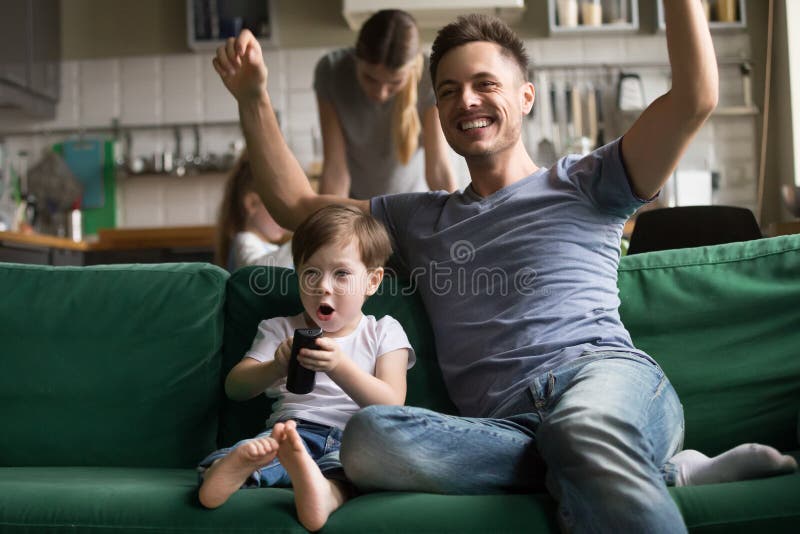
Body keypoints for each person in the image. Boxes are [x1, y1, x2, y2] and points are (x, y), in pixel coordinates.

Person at [212, 3, 797, 531]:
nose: (466, 100)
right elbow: (295, 206)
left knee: (580, 429)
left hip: (600, 380)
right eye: (448, 91)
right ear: (437, 110)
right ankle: (665, 473)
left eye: (484, 84)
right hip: (503, 429)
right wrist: (252, 97)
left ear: (525, 96)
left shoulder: (589, 181)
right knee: (367, 439)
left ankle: (617, 457)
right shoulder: (418, 219)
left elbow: (694, 99)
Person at [198, 204, 415, 531]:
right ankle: (234, 472)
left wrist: (339, 366)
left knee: (349, 474)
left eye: (341, 274)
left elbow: (391, 403)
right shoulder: (280, 329)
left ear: (372, 281)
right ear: (297, 274)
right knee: (254, 451)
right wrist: (275, 366)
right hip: (290, 433)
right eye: (311, 272)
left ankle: (318, 488)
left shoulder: (384, 330)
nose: (323, 286)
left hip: (356, 441)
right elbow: (236, 387)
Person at [314, 9, 457, 199]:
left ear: (412, 69)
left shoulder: (430, 77)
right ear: (357, 58)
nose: (380, 93)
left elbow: (438, 168)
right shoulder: (331, 71)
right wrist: (327, 224)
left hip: (411, 206)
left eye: (394, 83)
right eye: (370, 78)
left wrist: (459, 222)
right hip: (356, 209)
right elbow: (335, 170)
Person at [215, 154, 293, 270]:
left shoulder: (270, 249)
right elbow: (258, 272)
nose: (287, 217)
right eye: (280, 207)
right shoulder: (244, 241)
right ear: (252, 203)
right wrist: (300, 243)